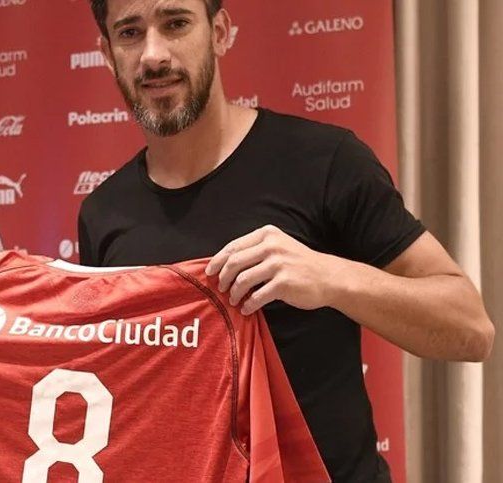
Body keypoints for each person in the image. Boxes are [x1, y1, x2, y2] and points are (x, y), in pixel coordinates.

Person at [78, 1, 495, 481]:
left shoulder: (325, 161)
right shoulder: (102, 213)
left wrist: (330, 277)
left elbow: (471, 329)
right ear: (107, 53)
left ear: (219, 32)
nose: (153, 55)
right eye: (130, 33)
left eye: (176, 24)